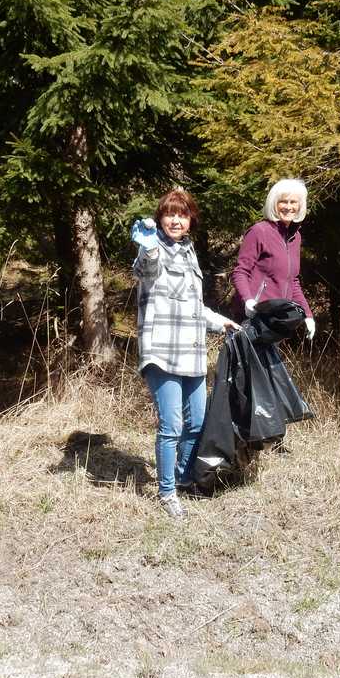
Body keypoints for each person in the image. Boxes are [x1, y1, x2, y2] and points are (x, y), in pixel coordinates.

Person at [132, 187, 240, 518]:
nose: (176, 220)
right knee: (172, 426)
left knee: (197, 423)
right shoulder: (153, 247)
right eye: (170, 214)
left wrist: (222, 322)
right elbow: (145, 271)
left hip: (192, 352)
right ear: (160, 218)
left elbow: (194, 307)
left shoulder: (189, 252)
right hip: (162, 351)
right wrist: (148, 248)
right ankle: (166, 493)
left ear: (190, 220)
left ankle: (183, 479)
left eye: (182, 215)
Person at [231, 178, 315, 340]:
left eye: (293, 202)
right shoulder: (259, 231)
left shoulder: (295, 237)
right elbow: (240, 272)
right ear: (274, 204)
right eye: (283, 201)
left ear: (300, 206)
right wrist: (248, 300)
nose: (288, 207)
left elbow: (293, 281)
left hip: (277, 320)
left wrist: (307, 314)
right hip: (253, 317)